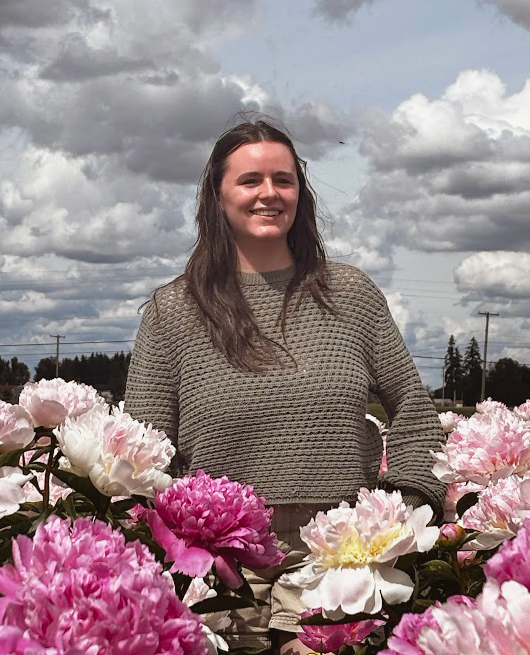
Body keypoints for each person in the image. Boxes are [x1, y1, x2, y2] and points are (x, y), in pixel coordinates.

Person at [124, 118, 446, 655]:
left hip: (340, 562)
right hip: (221, 568)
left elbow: (414, 410)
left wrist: (406, 509)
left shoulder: (351, 295)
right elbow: (143, 448)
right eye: (250, 180)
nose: (269, 193)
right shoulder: (173, 310)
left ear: (300, 192)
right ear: (217, 195)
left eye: (284, 180)